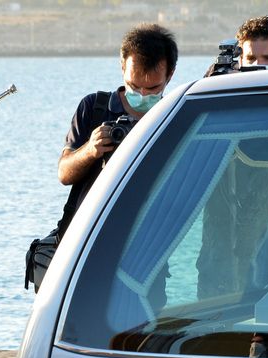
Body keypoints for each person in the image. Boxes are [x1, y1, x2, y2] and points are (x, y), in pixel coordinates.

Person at [196, 15, 268, 298]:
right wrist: (213, 86)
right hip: (219, 253)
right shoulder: (222, 100)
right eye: (250, 57)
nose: (257, 65)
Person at [57, 23, 178, 228]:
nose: (142, 94)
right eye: (134, 85)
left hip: (150, 232)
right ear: (122, 66)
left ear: (170, 74)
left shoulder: (175, 114)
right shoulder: (94, 107)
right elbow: (64, 173)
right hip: (94, 230)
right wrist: (90, 150)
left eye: (152, 88)